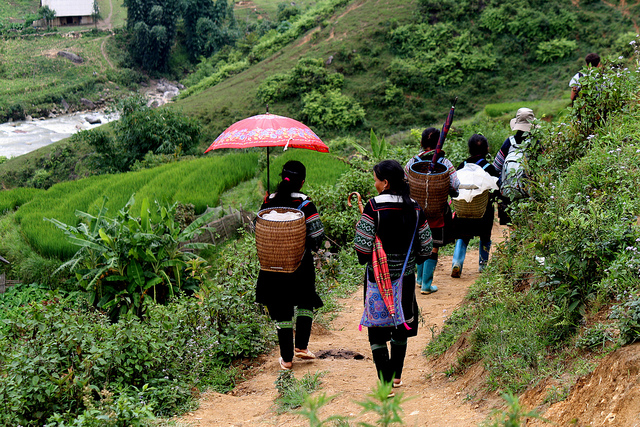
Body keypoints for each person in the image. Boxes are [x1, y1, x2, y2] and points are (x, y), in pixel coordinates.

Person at [354, 160, 432, 389]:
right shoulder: (416, 208)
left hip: (377, 278)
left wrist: (371, 259)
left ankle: (385, 381)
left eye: (376, 179)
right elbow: (426, 247)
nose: (375, 183)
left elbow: (361, 246)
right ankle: (396, 376)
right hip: (405, 279)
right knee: (401, 326)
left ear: (385, 182)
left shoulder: (373, 207)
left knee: (377, 331)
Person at [255, 160, 325, 370]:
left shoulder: (269, 202)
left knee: (281, 308)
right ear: (302, 182)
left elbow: (257, 228)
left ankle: (286, 359)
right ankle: (301, 347)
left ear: (282, 177)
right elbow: (317, 235)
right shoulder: (305, 204)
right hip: (299, 264)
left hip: (271, 266)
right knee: (305, 301)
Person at [405, 128, 459, 294]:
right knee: (433, 246)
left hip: (416, 213)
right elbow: (455, 185)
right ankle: (427, 285)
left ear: (421, 143)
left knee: (420, 244)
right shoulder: (446, 163)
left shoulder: (412, 163)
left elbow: (404, 182)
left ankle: (420, 280)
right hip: (438, 213)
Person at [451, 134, 499, 277]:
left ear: (469, 149)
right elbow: (496, 189)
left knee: (462, 236)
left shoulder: (462, 166)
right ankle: (483, 266)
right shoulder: (489, 168)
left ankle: (457, 263)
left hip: (463, 210)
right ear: (487, 149)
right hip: (483, 213)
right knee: (485, 236)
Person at [493, 107, 536, 224]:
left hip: (508, 195)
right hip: (529, 195)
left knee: (512, 226)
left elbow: (496, 168)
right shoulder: (535, 143)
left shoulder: (509, 142)